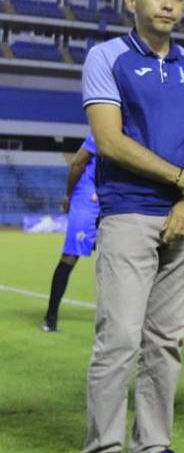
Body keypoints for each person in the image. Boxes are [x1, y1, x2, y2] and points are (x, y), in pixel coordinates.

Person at [75, 0, 184, 453]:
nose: (168, 5)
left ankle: (152, 449)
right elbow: (109, 142)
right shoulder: (106, 57)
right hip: (130, 212)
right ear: (130, 1)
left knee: (167, 341)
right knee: (118, 340)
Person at [42, 134, 100, 332]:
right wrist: (69, 194)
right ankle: (50, 318)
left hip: (112, 197)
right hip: (88, 197)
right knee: (70, 256)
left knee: (121, 259)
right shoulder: (103, 127)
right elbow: (77, 162)